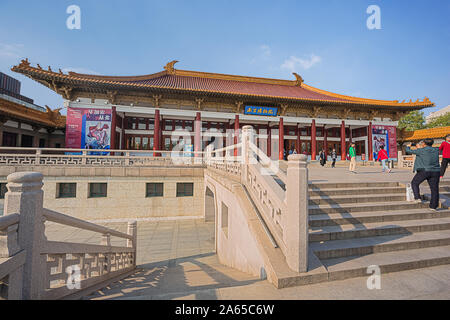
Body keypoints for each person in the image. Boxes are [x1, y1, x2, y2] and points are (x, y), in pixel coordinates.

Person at [406, 138, 441, 211]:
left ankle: (417, 198)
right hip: (436, 171)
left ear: (424, 144)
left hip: (424, 171)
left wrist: (408, 146)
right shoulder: (436, 150)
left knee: (415, 183)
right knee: (434, 189)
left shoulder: (421, 150)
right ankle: (433, 207)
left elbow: (408, 151)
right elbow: (427, 152)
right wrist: (419, 148)